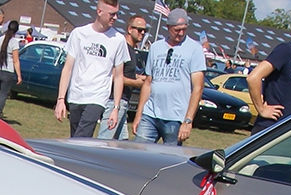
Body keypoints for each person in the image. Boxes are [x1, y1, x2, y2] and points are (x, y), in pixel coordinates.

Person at [54, 0, 128, 139]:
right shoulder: (79, 34)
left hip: (97, 97)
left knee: (81, 137)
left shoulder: (118, 40)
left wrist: (115, 108)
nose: (116, 18)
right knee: (75, 137)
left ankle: (72, 158)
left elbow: (118, 76)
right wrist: (60, 99)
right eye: (112, 14)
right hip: (76, 95)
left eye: (117, 14)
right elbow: (68, 68)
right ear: (99, 11)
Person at [130, 7, 204, 145]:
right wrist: (139, 114)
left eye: (184, 29)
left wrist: (188, 120)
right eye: (177, 30)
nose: (181, 33)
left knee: (168, 161)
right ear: (168, 27)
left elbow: (198, 88)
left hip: (176, 118)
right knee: (138, 154)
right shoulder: (156, 47)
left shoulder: (195, 49)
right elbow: (148, 83)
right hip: (150, 114)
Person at [96, 13, 148, 140]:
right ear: (130, 29)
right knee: (105, 140)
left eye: (145, 31)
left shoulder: (132, 50)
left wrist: (139, 78)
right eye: (139, 30)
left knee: (122, 143)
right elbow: (114, 76)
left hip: (124, 103)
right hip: (114, 101)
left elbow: (126, 72)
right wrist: (137, 84)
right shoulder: (122, 46)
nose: (143, 33)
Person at [0, 21, 22, 119]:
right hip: (8, 71)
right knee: (3, 94)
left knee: (1, 94)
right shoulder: (14, 42)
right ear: (16, 30)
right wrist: (19, 75)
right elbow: (16, 60)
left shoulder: (0, 39)